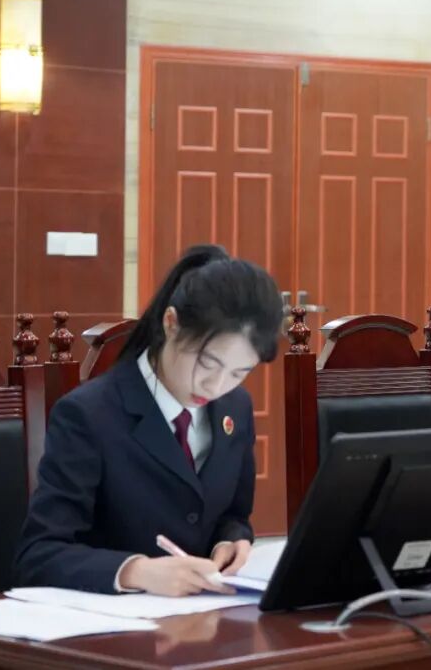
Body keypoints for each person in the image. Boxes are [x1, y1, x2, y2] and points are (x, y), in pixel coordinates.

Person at [14, 244, 284, 595]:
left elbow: (232, 516)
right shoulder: (89, 415)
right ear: (171, 323)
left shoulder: (236, 408)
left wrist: (231, 541)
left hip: (205, 614)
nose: (216, 386)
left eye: (239, 372)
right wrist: (135, 571)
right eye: (207, 363)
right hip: (114, 620)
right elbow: (38, 555)